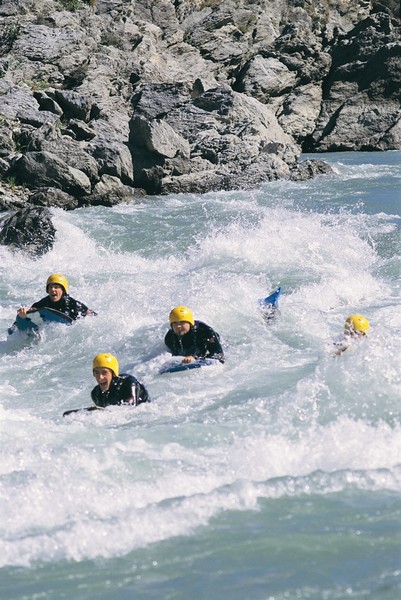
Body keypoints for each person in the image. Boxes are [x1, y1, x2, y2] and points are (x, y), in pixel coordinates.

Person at [16, 273, 96, 322]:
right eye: (50, 287)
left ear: (63, 291)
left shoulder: (72, 303)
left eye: (56, 287)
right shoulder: (44, 302)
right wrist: (24, 315)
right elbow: (32, 311)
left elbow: (91, 315)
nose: (52, 289)